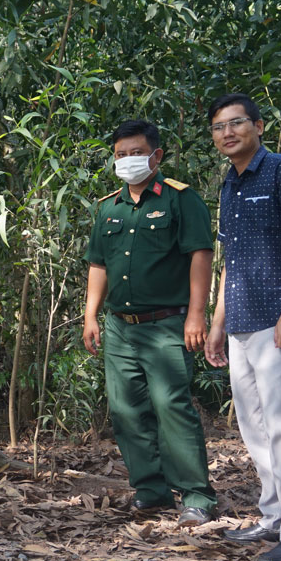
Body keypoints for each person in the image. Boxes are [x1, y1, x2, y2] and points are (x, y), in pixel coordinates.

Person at [203, 93, 281, 561]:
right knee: (253, 426)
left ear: (259, 126)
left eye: (236, 123)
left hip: (279, 322)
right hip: (241, 322)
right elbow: (228, 261)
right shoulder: (229, 184)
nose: (227, 132)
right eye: (218, 127)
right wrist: (217, 324)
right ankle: (274, 516)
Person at [82, 120, 218, 527]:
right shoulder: (109, 207)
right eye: (120, 155)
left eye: (135, 153)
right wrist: (91, 315)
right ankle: (151, 490)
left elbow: (199, 254)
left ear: (156, 156)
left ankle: (196, 495)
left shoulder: (181, 200)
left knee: (171, 406)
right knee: (126, 410)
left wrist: (197, 314)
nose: (128, 161)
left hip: (166, 324)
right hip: (120, 326)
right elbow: (98, 264)